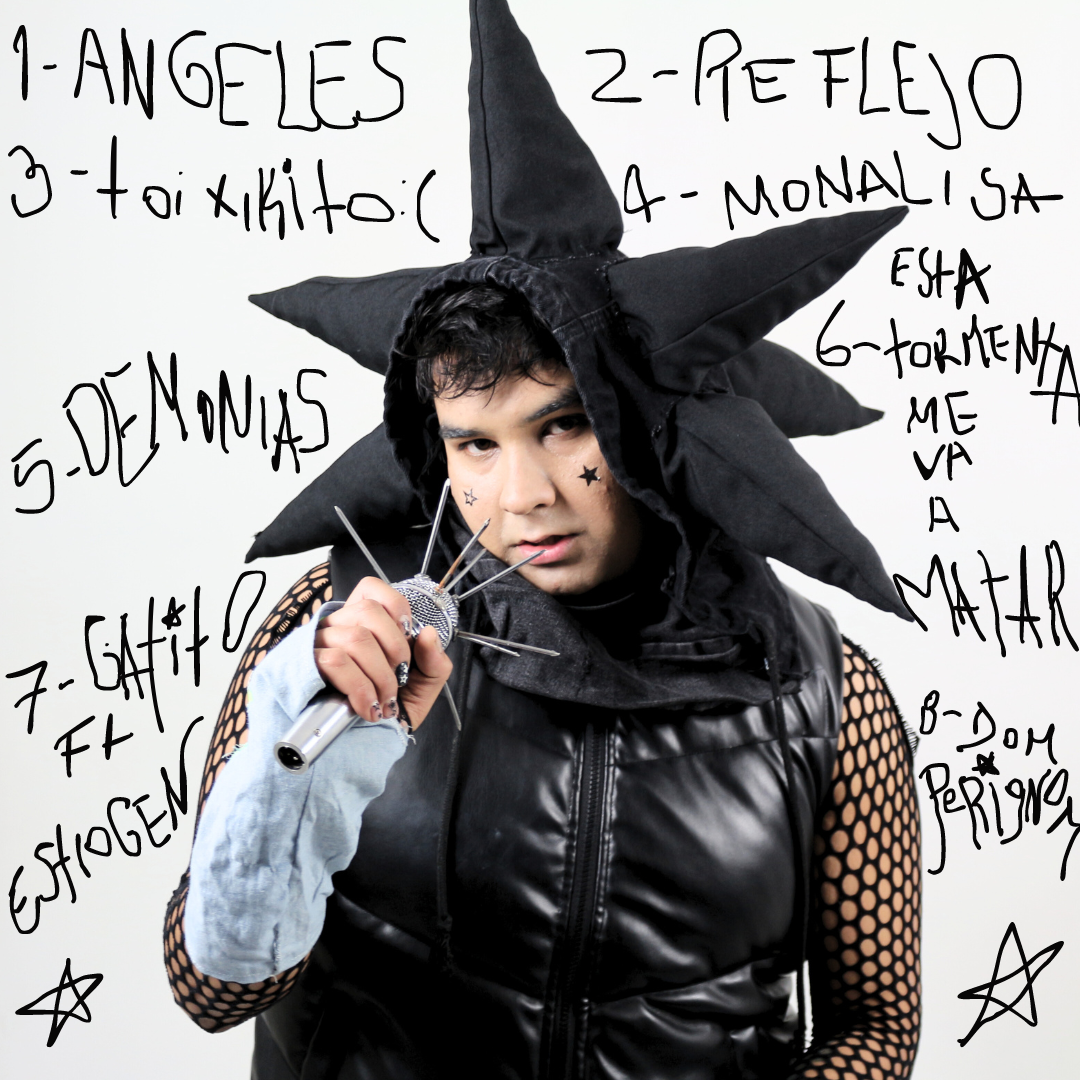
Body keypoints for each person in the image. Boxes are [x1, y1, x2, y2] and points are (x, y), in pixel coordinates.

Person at [164, 3, 922, 1078]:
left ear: (648, 427)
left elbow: (876, 1027)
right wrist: (291, 790)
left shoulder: (822, 695)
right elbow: (210, 992)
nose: (521, 497)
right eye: (476, 445)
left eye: (564, 427)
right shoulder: (333, 639)